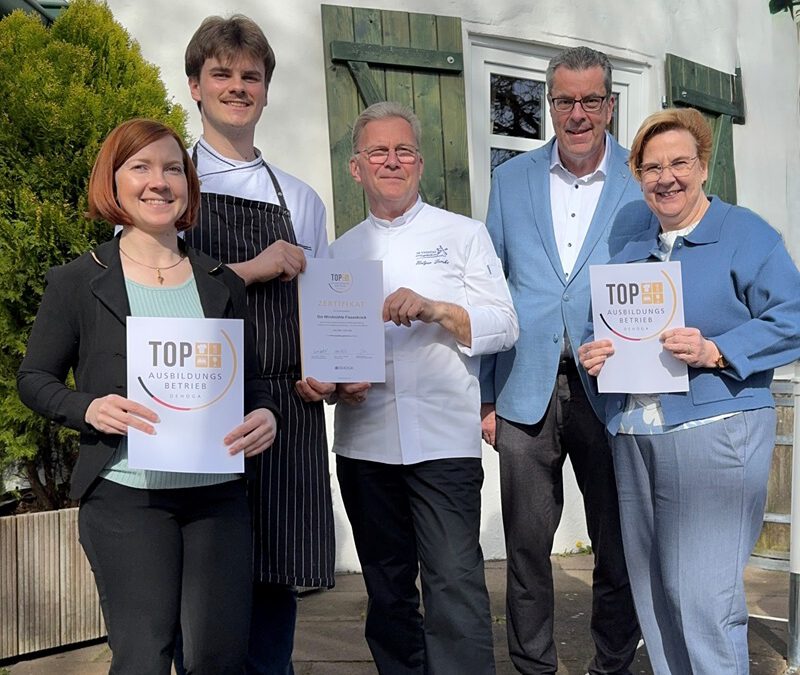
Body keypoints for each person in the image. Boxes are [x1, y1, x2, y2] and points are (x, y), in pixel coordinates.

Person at [16, 118, 279, 675]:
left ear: (187, 184)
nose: (158, 182)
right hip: (126, 497)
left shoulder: (220, 280)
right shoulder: (77, 280)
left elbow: (252, 381)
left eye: (171, 168)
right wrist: (87, 406)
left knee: (220, 659)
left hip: (218, 499)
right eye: (140, 167)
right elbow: (34, 378)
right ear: (112, 182)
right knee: (143, 658)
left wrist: (265, 413)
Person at [578, 107, 800, 674]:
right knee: (656, 597)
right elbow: (604, 326)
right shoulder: (633, 241)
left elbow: (793, 317)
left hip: (714, 431)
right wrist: (594, 352)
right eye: (651, 168)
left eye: (679, 162)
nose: (665, 177)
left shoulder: (744, 232)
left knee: (703, 599)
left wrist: (717, 350)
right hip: (634, 433)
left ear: (703, 167)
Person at [330, 101, 518, 675]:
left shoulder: (463, 235)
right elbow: (327, 357)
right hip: (365, 445)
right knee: (387, 595)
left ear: (420, 162)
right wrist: (336, 383)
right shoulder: (337, 253)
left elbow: (505, 325)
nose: (393, 160)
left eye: (404, 150)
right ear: (356, 168)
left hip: (444, 444)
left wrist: (439, 309)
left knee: (456, 588)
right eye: (378, 151)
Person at [479, 46, 642, 674]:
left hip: (616, 390)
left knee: (618, 544)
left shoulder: (640, 180)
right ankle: (533, 666)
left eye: (590, 101)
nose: (577, 113)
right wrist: (487, 398)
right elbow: (492, 291)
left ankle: (611, 664)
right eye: (564, 100)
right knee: (525, 546)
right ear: (550, 103)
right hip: (524, 389)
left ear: (608, 105)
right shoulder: (510, 181)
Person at [183, 15, 335, 674]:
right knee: (201, 584)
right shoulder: (171, 186)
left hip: (285, 403)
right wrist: (252, 267)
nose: (237, 86)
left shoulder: (298, 197)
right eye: (222, 73)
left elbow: (324, 309)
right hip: (194, 397)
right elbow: (151, 295)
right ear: (195, 85)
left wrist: (327, 368)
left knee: (275, 580)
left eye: (251, 76)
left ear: (267, 90)